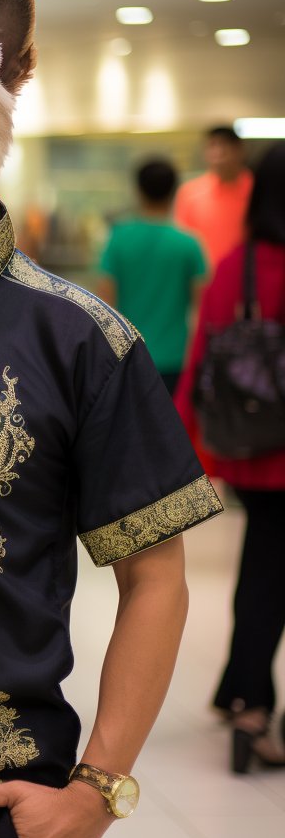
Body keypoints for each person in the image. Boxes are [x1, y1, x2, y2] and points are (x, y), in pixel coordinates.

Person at [175, 142, 285, 773]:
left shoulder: (236, 266)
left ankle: (246, 700)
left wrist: (187, 438)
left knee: (262, 571)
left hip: (257, 451)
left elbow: (205, 358)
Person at [97, 158, 207, 396]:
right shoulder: (189, 244)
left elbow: (103, 306)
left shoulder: (118, 240)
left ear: (138, 191)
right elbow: (202, 308)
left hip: (128, 356)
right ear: (174, 192)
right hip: (177, 359)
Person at [174, 126, 253, 268]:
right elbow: (182, 242)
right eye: (212, 145)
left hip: (246, 275)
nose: (218, 152)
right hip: (205, 277)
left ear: (239, 150)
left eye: (224, 145)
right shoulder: (190, 192)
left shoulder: (256, 190)